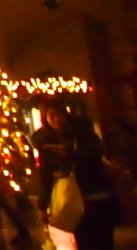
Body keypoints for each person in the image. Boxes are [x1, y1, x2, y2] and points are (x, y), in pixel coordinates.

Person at [33, 102, 116, 250]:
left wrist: (71, 153)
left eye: (59, 114)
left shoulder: (82, 131)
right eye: (51, 116)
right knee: (84, 240)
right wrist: (42, 205)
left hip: (95, 192)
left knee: (103, 239)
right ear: (45, 119)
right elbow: (44, 175)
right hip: (71, 199)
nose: (57, 119)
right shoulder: (46, 143)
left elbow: (96, 154)